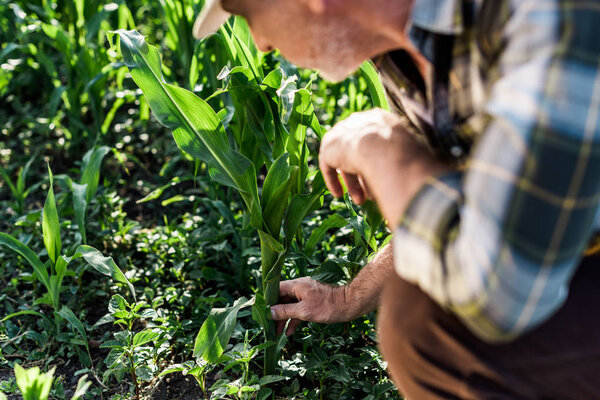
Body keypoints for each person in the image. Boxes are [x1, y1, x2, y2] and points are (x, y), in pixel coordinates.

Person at [194, 0, 600, 398]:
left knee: (428, 324)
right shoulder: (402, 55)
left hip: (545, 269)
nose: (260, 43)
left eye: (249, 14)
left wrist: (384, 148)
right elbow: (454, 210)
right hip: (560, 248)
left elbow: (499, 294)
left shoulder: (547, 20)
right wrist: (348, 297)